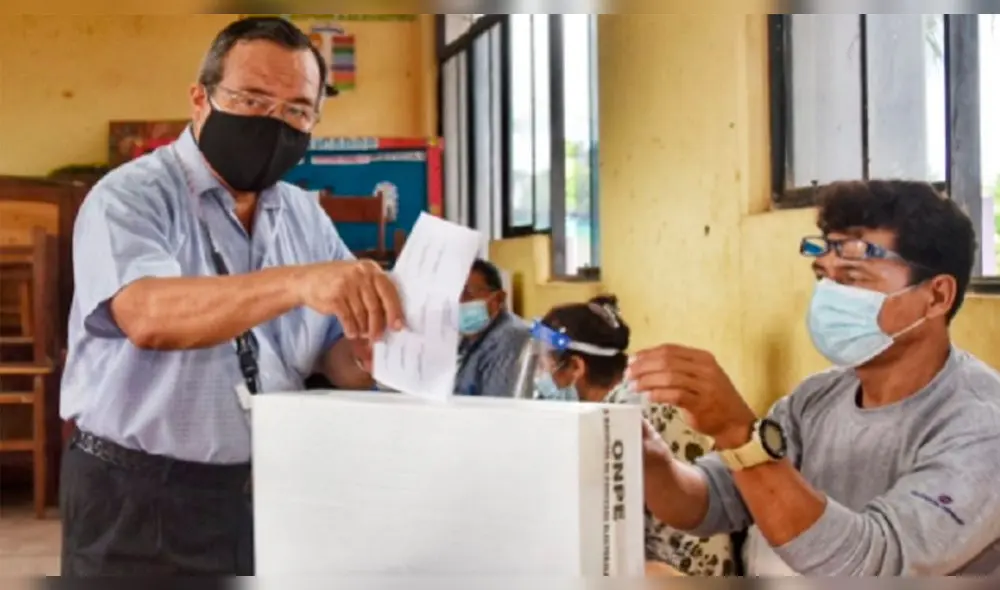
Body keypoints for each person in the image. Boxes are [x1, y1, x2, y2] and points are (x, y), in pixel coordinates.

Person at [58, 17, 404, 576]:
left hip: (267, 491)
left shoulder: (300, 214)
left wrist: (373, 350)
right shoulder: (130, 197)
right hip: (138, 497)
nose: (275, 123)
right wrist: (295, 282)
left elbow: (337, 359)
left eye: (297, 110)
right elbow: (147, 314)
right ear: (200, 99)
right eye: (251, 99)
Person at [629, 180, 1000, 576]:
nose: (829, 296)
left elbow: (867, 567)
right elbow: (714, 501)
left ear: (937, 295)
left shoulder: (980, 424)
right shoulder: (816, 398)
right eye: (823, 276)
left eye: (853, 279)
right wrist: (651, 462)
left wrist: (738, 432)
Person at [532, 295, 737, 576]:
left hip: (680, 571)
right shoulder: (641, 389)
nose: (540, 377)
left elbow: (601, 529)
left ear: (577, 367)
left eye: (545, 365)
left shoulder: (621, 420)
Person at [454, 258, 531, 397]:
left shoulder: (510, 341)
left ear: (499, 299)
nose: (459, 301)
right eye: (454, 294)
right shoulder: (468, 339)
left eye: (468, 294)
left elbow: (497, 412)